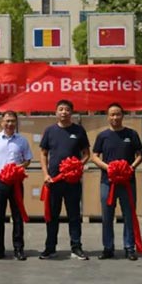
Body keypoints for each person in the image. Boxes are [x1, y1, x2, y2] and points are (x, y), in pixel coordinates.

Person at [90, 103, 142, 261]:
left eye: (118, 114)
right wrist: (108, 167)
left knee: (128, 215)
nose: (115, 117)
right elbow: (94, 156)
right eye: (112, 114)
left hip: (127, 182)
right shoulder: (103, 136)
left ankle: (129, 247)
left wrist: (131, 167)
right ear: (107, 117)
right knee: (107, 215)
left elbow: (140, 155)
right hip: (108, 182)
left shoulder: (131, 134)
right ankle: (108, 247)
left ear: (122, 115)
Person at [39, 99, 91, 260]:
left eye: (67, 109)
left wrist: (77, 166)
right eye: (61, 109)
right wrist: (45, 174)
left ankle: (76, 247)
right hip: (54, 180)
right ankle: (50, 247)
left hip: (72, 182)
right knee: (52, 215)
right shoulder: (50, 131)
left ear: (71, 112)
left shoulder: (79, 130)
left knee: (74, 215)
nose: (64, 112)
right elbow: (43, 154)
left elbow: (86, 154)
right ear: (56, 112)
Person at [0, 110, 33, 261]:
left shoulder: (22, 140)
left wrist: (18, 167)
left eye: (12, 121)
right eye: (7, 121)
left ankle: (18, 248)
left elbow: (28, 160)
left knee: (17, 216)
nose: (10, 124)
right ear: (2, 122)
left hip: (16, 183)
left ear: (16, 123)